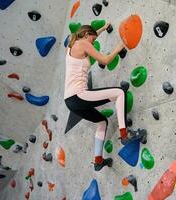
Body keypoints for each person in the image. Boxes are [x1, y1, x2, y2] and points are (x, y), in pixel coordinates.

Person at [64, 24, 131, 171]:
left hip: (69, 101)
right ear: (87, 35)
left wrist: (102, 29)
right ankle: (124, 135)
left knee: (102, 121)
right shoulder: (83, 44)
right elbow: (105, 61)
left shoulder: (70, 46)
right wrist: (118, 48)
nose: (93, 43)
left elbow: (89, 38)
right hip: (79, 95)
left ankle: (98, 160)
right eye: (93, 40)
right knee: (119, 93)